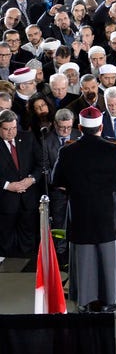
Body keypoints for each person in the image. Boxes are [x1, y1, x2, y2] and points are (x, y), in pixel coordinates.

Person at [51, 105, 116, 312]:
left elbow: (56, 180)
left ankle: (86, 300)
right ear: (101, 126)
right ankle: (111, 300)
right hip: (109, 216)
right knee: (110, 258)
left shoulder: (67, 151)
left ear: (79, 127)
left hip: (81, 215)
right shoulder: (115, 150)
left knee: (85, 259)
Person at [0, 108, 43, 256]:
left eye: (13, 128)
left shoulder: (28, 138)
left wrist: (31, 179)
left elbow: (41, 163)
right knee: (5, 241)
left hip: (28, 199)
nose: (11, 132)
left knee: (28, 239)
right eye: (6, 129)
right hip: (5, 202)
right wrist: (7, 185)